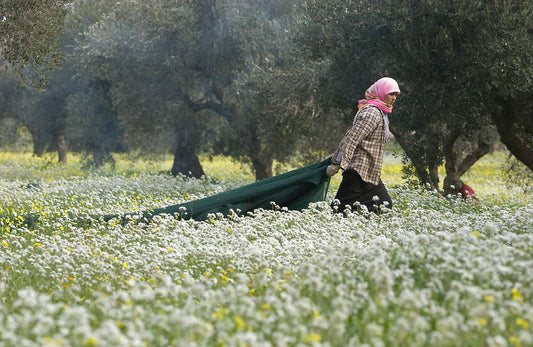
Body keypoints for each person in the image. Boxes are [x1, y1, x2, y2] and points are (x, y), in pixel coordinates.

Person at [326, 77, 400, 214]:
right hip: (358, 171)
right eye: (391, 94)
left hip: (369, 172)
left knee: (382, 205)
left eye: (396, 95)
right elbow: (351, 139)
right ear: (382, 92)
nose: (394, 97)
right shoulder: (372, 112)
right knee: (340, 210)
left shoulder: (382, 113)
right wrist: (336, 163)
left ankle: (358, 229)